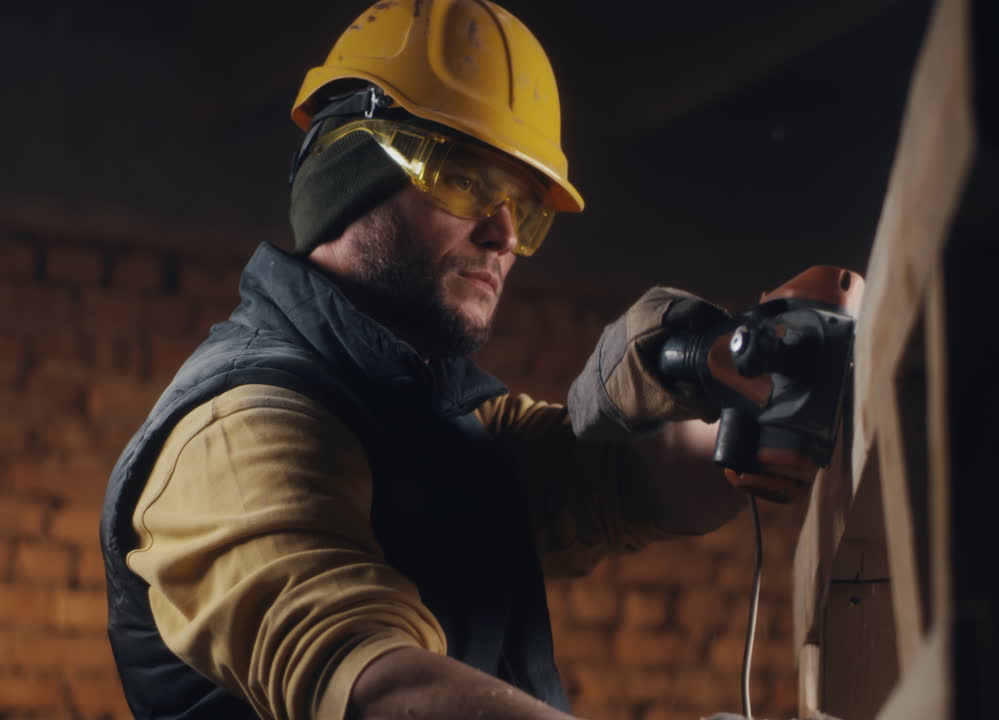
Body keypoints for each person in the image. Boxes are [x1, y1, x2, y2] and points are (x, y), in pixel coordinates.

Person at [99, 1, 825, 718]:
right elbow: (382, 690)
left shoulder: (432, 413)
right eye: (469, 180)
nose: (504, 233)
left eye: (524, 207)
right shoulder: (241, 432)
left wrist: (754, 389)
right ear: (353, 167)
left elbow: (634, 483)